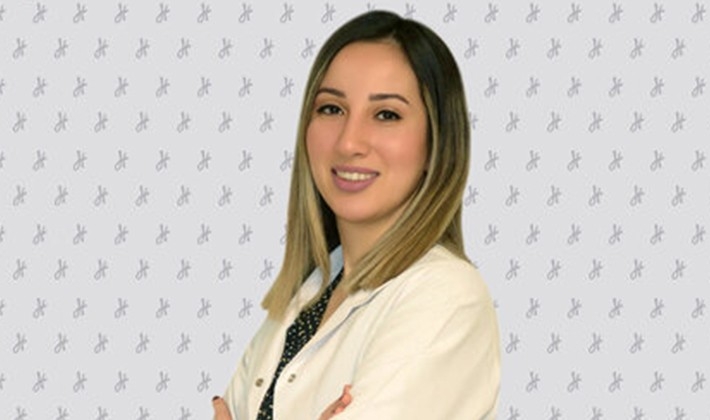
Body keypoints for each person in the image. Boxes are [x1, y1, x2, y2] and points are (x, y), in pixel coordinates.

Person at [213, 9, 500, 420]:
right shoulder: (307, 297)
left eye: (386, 115)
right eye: (331, 109)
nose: (349, 142)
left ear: (437, 144)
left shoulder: (447, 297)